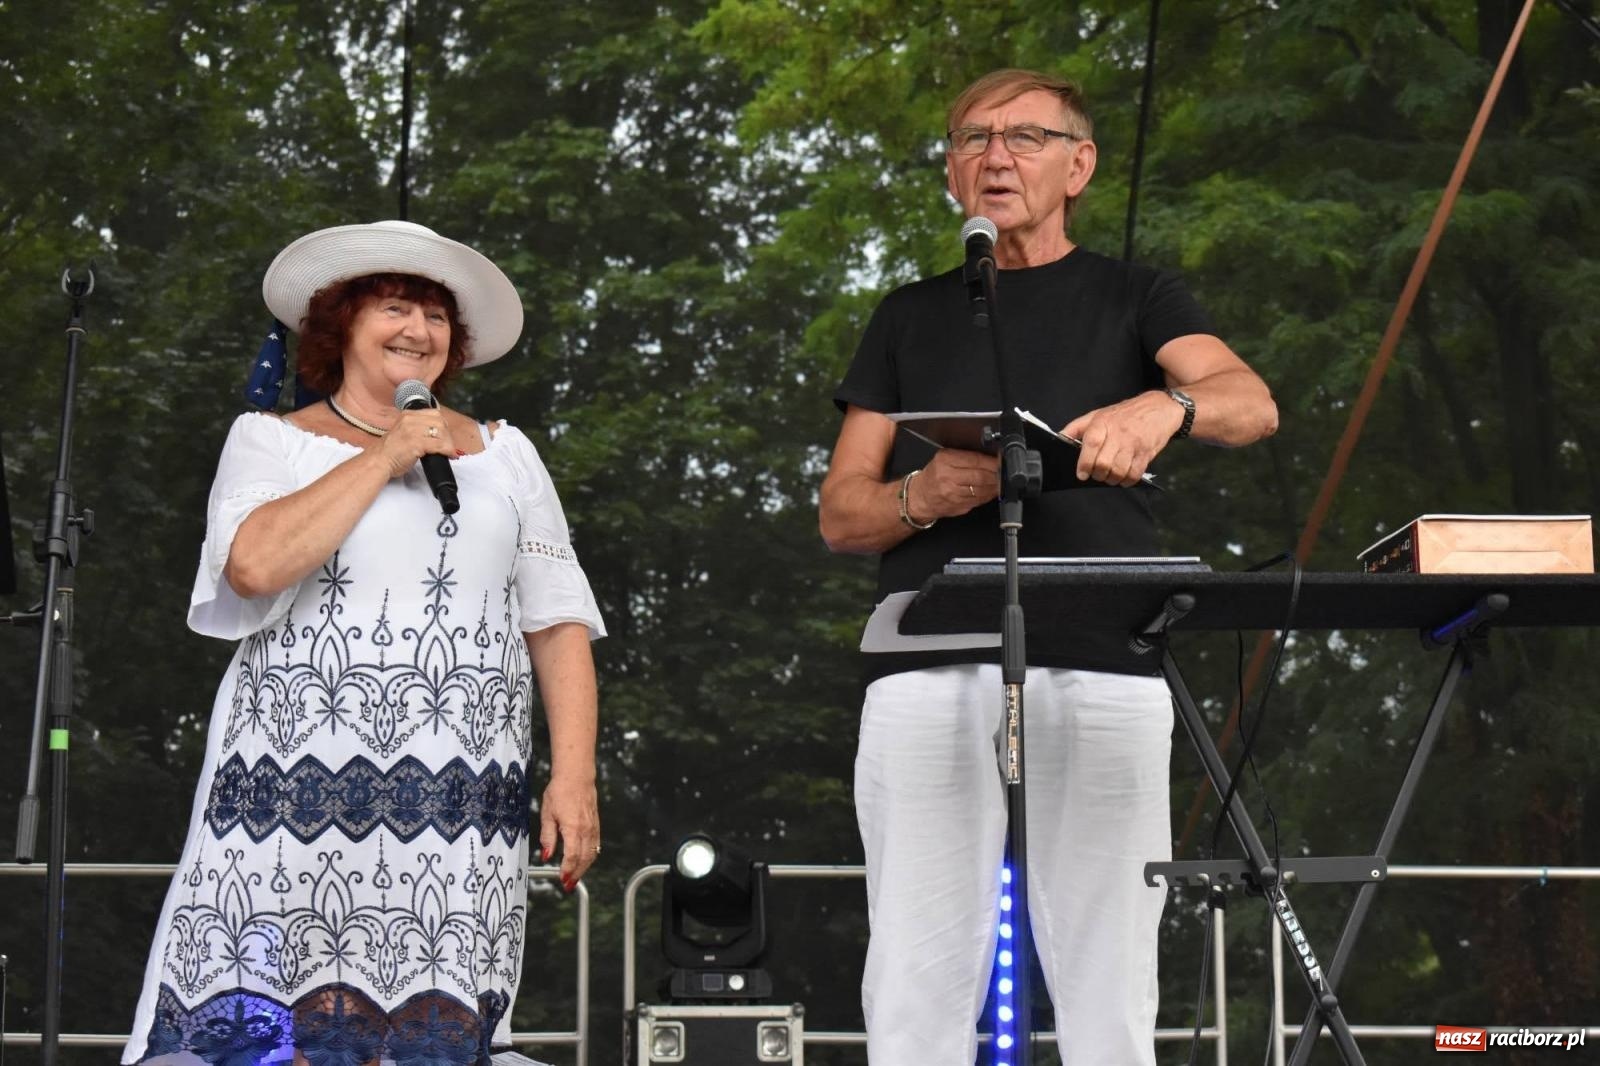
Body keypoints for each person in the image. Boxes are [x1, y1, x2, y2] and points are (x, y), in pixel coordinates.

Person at [819, 70, 1278, 1065]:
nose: (993, 155)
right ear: (949, 171)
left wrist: (1168, 407)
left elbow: (1249, 402)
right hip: (929, 656)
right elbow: (841, 513)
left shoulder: (1137, 294)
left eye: (1023, 136)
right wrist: (922, 497)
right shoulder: (906, 314)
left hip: (1106, 653)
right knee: (914, 970)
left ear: (1079, 165)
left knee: (1111, 974)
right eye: (971, 136)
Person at [123, 220, 605, 1066]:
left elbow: (558, 621)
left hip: (459, 807)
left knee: (433, 1036)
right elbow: (253, 566)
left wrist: (574, 775)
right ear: (340, 325)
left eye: (436, 316)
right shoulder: (271, 441)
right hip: (285, 801)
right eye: (394, 307)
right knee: (265, 1037)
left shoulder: (508, 458)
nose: (418, 330)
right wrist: (384, 456)